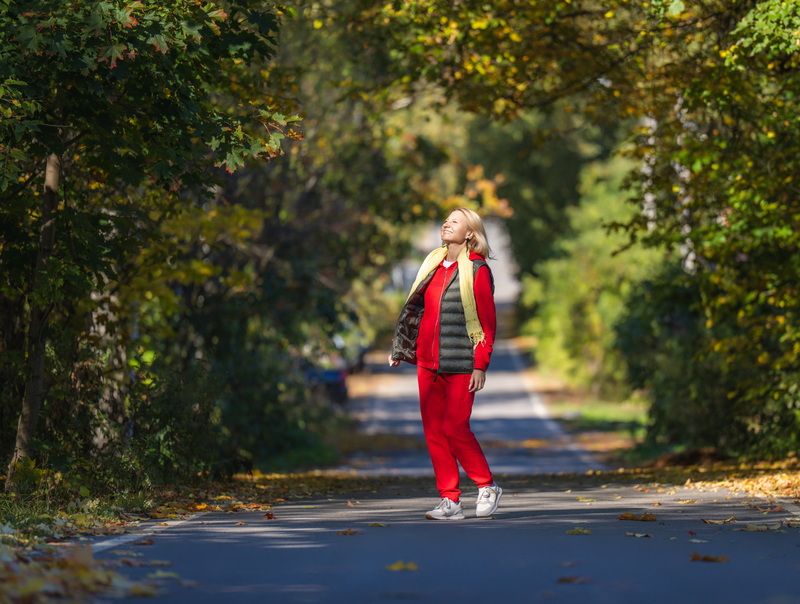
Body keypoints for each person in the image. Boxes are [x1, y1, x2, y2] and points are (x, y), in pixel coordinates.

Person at [388, 207, 502, 520]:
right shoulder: (432, 267)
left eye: (455, 220)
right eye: (446, 219)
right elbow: (415, 311)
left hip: (462, 363)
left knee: (455, 427)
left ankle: (486, 485)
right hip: (428, 362)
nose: (446, 223)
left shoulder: (478, 271)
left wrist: (481, 365)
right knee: (434, 432)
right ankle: (449, 500)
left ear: (470, 233)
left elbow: (487, 324)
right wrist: (401, 348)